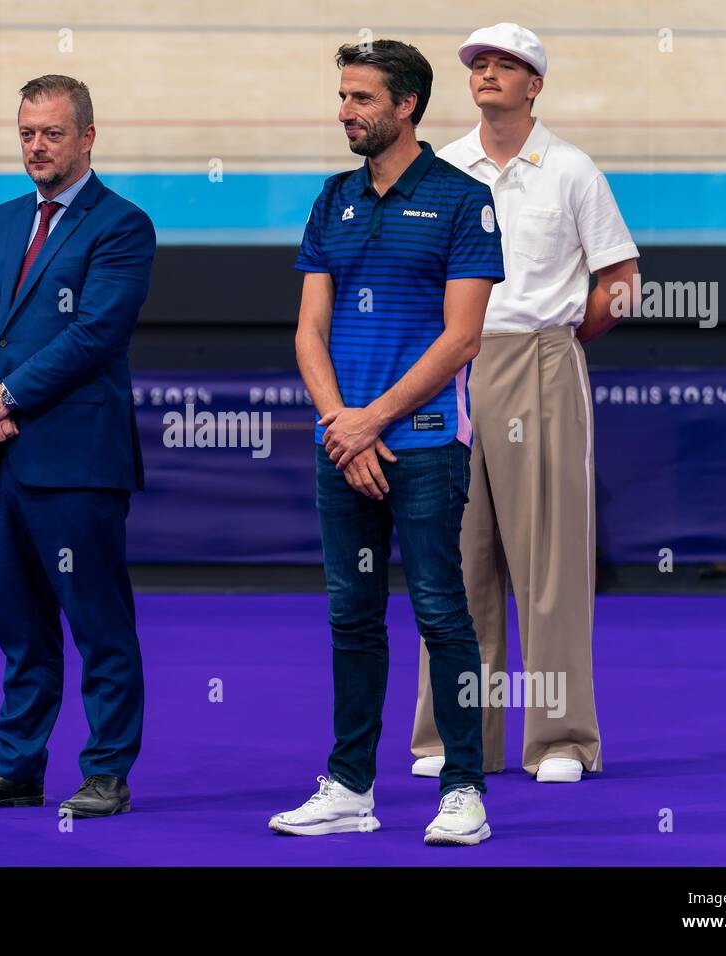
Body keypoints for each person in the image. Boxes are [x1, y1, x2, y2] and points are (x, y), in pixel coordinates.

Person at [268, 40, 504, 846]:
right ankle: (348, 787)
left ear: (407, 106)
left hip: (429, 445)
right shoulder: (331, 199)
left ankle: (465, 789)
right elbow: (309, 329)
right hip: (346, 447)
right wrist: (343, 424)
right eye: (343, 96)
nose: (346, 111)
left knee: (443, 614)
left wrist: (374, 421)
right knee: (351, 616)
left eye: (362, 98)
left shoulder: (462, 200)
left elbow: (462, 338)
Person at [409, 23, 640, 784]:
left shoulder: (571, 169)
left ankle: (562, 739)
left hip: (540, 357)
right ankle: (450, 736)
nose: (488, 74)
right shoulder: (441, 167)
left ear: (534, 84)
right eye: (478, 63)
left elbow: (621, 280)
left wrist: (564, 335)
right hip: (454, 366)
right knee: (456, 559)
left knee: (550, 566)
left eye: (506, 65)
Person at [0, 74, 156, 818]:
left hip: (76, 462)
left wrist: (9, 397)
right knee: (20, 631)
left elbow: (95, 334)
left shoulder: (122, 225)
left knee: (99, 626)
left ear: (87, 137)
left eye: (52, 134)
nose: (36, 147)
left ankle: (106, 773)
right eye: (27, 133)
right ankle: (16, 768)